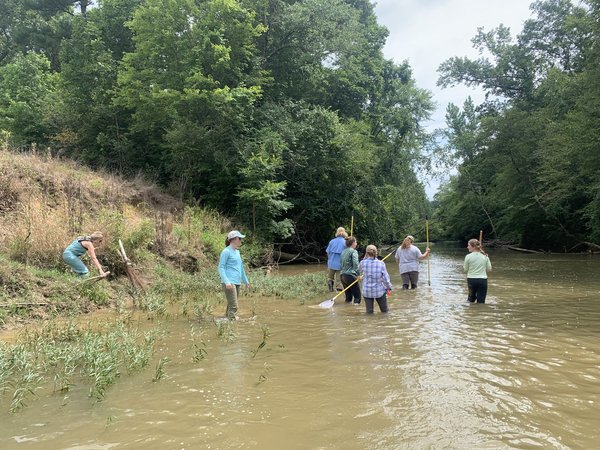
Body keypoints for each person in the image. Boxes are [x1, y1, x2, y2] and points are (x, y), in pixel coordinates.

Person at [218, 230, 250, 320]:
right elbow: (221, 267)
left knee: (230, 305)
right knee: (234, 306)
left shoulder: (237, 252)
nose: (241, 240)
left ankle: (225, 321)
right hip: (229, 282)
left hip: (237, 282)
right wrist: (227, 282)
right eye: (239, 238)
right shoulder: (226, 251)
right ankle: (232, 324)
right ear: (234, 239)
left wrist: (246, 281)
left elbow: (241, 268)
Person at [359, 245, 392, 314]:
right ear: (376, 252)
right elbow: (386, 278)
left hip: (367, 291)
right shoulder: (381, 263)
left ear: (366, 253)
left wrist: (365, 258)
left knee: (369, 312)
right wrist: (388, 287)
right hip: (379, 291)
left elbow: (358, 271)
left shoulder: (362, 263)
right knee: (384, 311)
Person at [464, 238, 492, 303]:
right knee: (481, 301)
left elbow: (465, 269)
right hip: (482, 280)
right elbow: (489, 269)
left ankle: (471, 309)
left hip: (471, 280)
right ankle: (480, 309)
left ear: (473, 247)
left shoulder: (468, 256)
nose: (467, 247)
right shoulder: (485, 256)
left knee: (471, 300)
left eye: (469, 245)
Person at [340, 236, 361, 304]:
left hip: (342, 276)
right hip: (350, 276)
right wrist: (358, 274)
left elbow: (341, 263)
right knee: (357, 297)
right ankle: (356, 310)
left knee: (348, 298)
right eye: (356, 242)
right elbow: (356, 263)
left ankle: (346, 308)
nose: (356, 243)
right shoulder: (354, 251)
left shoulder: (343, 251)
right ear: (353, 243)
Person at [325, 227, 348, 292]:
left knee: (330, 277)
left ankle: (330, 288)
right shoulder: (345, 242)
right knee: (339, 278)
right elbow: (347, 253)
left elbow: (328, 252)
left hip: (331, 262)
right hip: (340, 263)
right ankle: (339, 289)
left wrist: (329, 259)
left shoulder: (332, 241)